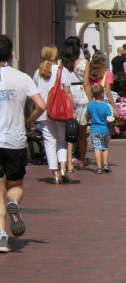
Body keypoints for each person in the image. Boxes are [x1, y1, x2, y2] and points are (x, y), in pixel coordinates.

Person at [0, 35, 46, 252]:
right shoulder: (22, 77)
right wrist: (28, 121)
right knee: (14, 187)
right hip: (15, 141)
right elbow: (41, 105)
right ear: (11, 54)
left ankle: (1, 237)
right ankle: (14, 204)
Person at [33, 45, 71, 184]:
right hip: (60, 110)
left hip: (43, 111)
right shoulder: (62, 70)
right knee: (62, 140)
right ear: (56, 56)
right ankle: (62, 168)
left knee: (49, 142)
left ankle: (54, 173)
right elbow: (67, 91)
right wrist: (71, 109)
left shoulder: (38, 72)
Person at [62, 36, 90, 170]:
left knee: (68, 131)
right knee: (82, 131)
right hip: (81, 96)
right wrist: (91, 101)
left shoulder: (61, 63)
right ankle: (82, 159)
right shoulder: (84, 63)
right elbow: (86, 83)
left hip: (66, 94)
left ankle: (69, 160)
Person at [86, 85, 113, 174]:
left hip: (94, 129)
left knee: (97, 148)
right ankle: (105, 164)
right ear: (102, 94)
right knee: (105, 147)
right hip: (104, 129)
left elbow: (87, 115)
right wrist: (111, 130)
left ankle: (99, 167)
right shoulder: (105, 106)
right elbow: (110, 119)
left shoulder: (90, 105)